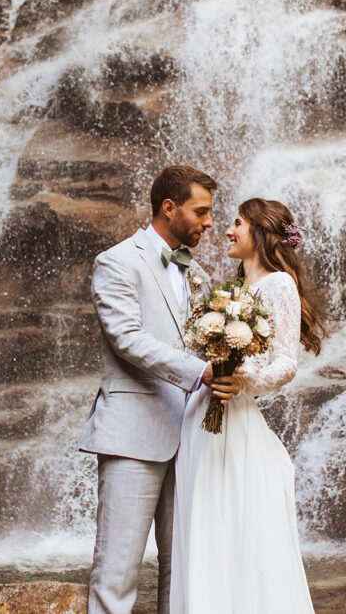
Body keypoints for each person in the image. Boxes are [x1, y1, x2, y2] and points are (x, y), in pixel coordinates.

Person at [79, 165, 241, 614]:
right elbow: (127, 339)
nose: (210, 222)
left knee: (184, 572)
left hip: (191, 441)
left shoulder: (199, 275)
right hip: (133, 435)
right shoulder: (116, 261)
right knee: (117, 573)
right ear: (169, 208)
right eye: (201, 212)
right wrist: (202, 372)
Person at [170, 197, 328, 614]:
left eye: (237, 223)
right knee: (205, 525)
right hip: (202, 415)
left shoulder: (279, 284)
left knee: (234, 525)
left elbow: (286, 363)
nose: (226, 230)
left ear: (259, 232)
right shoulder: (233, 290)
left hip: (233, 418)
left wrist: (242, 384)